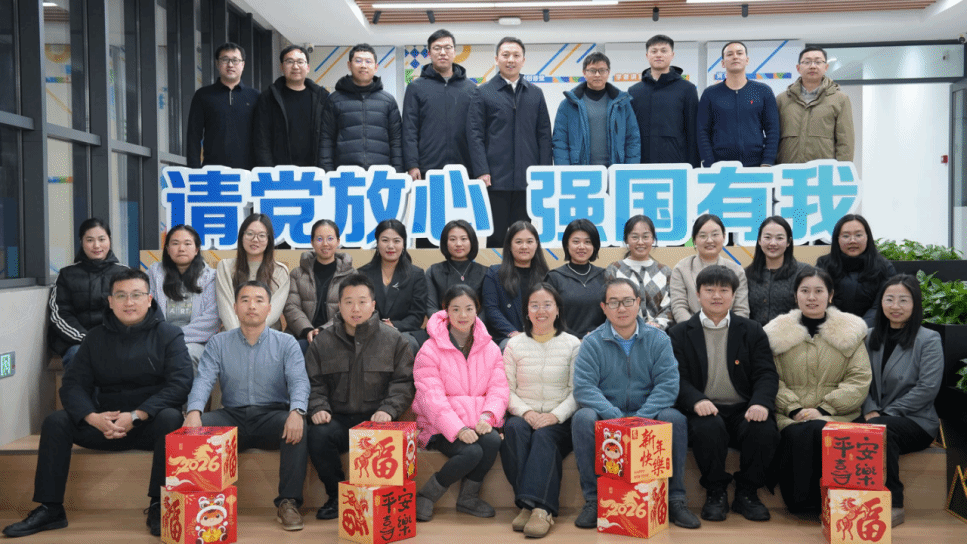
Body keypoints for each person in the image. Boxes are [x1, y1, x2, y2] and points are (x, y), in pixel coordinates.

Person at [3, 269, 192, 538]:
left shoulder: (169, 334)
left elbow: (180, 384)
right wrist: (92, 417)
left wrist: (136, 415)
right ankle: (50, 508)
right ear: (110, 301)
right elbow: (73, 385)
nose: (129, 302)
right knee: (56, 421)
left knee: (171, 417)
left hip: (147, 426)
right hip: (105, 425)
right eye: (121, 296)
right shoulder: (94, 338)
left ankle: (159, 505)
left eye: (136, 295)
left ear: (149, 299)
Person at [571, 277, 701, 530]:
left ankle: (674, 499)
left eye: (628, 301)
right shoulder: (592, 343)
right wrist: (616, 418)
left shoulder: (658, 339)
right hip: (608, 417)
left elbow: (668, 385)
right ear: (604, 307)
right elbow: (584, 388)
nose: (621, 308)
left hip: (648, 414)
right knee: (582, 418)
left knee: (674, 418)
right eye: (614, 302)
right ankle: (594, 500)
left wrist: (641, 418)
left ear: (638, 303)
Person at [184, 280, 310, 532]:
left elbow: (299, 381)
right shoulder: (218, 343)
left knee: (298, 425)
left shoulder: (287, 343)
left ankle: (288, 502)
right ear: (234, 307)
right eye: (245, 300)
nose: (252, 306)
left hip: (271, 415)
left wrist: (297, 411)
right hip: (232, 417)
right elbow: (204, 379)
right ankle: (199, 503)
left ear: (270, 308)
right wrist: (194, 411)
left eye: (259, 300)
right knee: (198, 427)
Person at [669, 265, 779, 522]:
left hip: (744, 407)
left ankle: (747, 493)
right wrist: (696, 400)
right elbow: (676, 377)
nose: (716, 296)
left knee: (763, 429)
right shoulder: (679, 333)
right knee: (708, 429)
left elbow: (766, 373)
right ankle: (715, 491)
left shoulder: (752, 330)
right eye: (709, 290)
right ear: (698, 294)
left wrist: (761, 403)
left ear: (734, 295)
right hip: (703, 407)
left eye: (723, 290)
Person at [304, 273, 415, 521]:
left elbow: (403, 382)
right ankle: (337, 496)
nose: (355, 309)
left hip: (377, 420)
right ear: (339, 305)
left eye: (362, 302)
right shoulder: (323, 342)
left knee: (388, 438)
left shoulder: (394, 339)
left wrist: (389, 409)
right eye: (349, 302)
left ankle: (384, 501)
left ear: (373, 305)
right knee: (318, 434)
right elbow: (313, 382)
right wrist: (319, 407)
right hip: (339, 419)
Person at [763, 266, 871, 513]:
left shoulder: (850, 332)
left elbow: (859, 379)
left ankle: (827, 503)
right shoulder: (775, 334)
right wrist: (794, 409)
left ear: (830, 295)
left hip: (838, 412)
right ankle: (801, 503)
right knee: (798, 432)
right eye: (805, 291)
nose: (811, 297)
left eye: (819, 291)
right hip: (790, 413)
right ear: (795, 295)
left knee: (818, 428)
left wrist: (823, 409)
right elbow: (770, 378)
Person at [412, 284, 508, 522]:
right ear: (445, 311)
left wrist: (488, 416)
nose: (462, 315)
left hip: (477, 421)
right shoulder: (429, 349)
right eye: (455, 309)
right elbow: (431, 398)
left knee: (492, 440)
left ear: (477, 310)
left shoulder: (491, 349)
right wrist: (458, 429)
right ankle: (426, 495)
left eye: (469, 308)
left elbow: (498, 389)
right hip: (440, 426)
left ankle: (468, 497)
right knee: (472, 452)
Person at [500, 283, 580, 538]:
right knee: (513, 430)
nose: (541, 311)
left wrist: (555, 415)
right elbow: (505, 389)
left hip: (560, 419)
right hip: (524, 413)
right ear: (526, 311)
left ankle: (540, 510)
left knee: (545, 436)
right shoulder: (514, 345)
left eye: (547, 305)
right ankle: (529, 504)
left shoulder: (573, 344)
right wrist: (526, 413)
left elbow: (577, 391)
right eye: (534, 305)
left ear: (557, 310)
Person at [862, 274, 943, 527]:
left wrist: (886, 414)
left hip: (916, 420)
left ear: (915, 304)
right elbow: (859, 380)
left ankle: (894, 502)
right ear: (881, 302)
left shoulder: (928, 339)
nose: (895, 306)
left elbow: (927, 388)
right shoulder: (869, 337)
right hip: (873, 416)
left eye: (903, 300)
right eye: (889, 299)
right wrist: (870, 408)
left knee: (880, 429)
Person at [467, 37, 552, 247]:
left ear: (523, 60)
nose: (510, 60)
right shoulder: (483, 92)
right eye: (505, 55)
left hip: (527, 180)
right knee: (496, 237)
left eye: (516, 55)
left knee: (523, 238)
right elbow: (475, 135)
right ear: (497, 59)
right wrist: (482, 170)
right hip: (495, 180)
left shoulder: (535, 93)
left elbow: (544, 135)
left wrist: (543, 173)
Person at [48, 217, 128, 368]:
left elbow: (134, 311)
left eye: (101, 239)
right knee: (78, 356)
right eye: (90, 240)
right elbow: (60, 314)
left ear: (109, 240)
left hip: (117, 338)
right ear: (81, 242)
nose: (96, 245)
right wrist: (87, 339)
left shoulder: (125, 273)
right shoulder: (67, 274)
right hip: (77, 341)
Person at [403, 29, 477, 180]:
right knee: (432, 198)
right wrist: (412, 164)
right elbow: (409, 129)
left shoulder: (471, 89)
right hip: (427, 169)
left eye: (447, 48)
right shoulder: (416, 87)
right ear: (429, 53)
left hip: (464, 169)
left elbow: (477, 131)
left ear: (454, 52)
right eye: (437, 48)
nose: (443, 52)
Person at [320, 43, 403, 172]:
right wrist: (328, 172)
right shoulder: (334, 100)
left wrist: (397, 173)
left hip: (380, 174)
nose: (363, 65)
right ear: (349, 65)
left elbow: (396, 141)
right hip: (345, 174)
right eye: (358, 61)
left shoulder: (388, 101)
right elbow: (326, 140)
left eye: (368, 61)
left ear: (376, 67)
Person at [147, 224, 220, 367]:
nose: (181, 248)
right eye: (175, 243)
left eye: (187, 243)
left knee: (185, 354)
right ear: (167, 249)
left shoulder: (210, 277)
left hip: (197, 342)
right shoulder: (154, 274)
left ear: (196, 249)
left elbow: (211, 319)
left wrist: (173, 337)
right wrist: (162, 337)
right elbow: (147, 310)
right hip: (159, 340)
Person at [698, 41, 779, 167]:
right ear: (723, 63)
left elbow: (773, 129)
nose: (735, 57)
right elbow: (702, 131)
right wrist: (709, 163)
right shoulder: (710, 94)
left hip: (757, 165)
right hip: (720, 166)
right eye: (730, 54)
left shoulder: (763, 91)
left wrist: (767, 161)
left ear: (747, 60)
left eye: (739, 53)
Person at [551, 52, 640, 166]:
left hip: (615, 170)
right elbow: (560, 142)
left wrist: (629, 170)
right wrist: (565, 171)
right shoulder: (568, 104)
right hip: (580, 170)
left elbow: (632, 139)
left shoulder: (622, 103)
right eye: (592, 70)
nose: (597, 75)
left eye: (602, 70)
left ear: (608, 72)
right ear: (584, 73)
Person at [284, 219, 355, 353]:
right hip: (301, 335)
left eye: (330, 238)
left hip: (337, 335)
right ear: (312, 242)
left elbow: (349, 310)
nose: (325, 244)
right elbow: (291, 307)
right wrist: (307, 330)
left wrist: (323, 330)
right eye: (319, 239)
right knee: (297, 349)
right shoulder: (297, 274)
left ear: (338, 241)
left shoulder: (352, 276)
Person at [185, 42, 260, 169]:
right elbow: (194, 135)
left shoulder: (255, 96)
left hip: (248, 172)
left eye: (235, 60)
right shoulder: (203, 95)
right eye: (225, 60)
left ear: (243, 64)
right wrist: (194, 170)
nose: (230, 65)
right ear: (217, 63)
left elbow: (262, 137)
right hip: (212, 171)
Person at [357, 219, 428, 353]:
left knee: (404, 343)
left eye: (396, 241)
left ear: (403, 244)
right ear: (377, 243)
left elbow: (417, 315)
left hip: (404, 332)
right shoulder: (362, 274)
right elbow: (359, 309)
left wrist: (394, 325)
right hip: (370, 331)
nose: (390, 246)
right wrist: (379, 326)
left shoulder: (416, 274)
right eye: (385, 240)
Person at [628, 34, 700, 167]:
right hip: (642, 163)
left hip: (677, 163)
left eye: (663, 51)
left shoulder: (687, 89)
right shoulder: (634, 91)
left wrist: (693, 167)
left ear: (672, 55)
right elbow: (630, 133)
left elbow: (693, 132)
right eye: (654, 51)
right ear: (647, 55)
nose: (658, 55)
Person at [252, 45, 329, 167]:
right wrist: (268, 170)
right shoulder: (268, 98)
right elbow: (262, 139)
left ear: (308, 67)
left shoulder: (322, 98)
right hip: (279, 171)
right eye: (289, 62)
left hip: (314, 171)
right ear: (281, 67)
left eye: (300, 62)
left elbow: (327, 137)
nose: (295, 66)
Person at [776, 46, 854, 164]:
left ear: (826, 67)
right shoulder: (783, 99)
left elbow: (845, 141)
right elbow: (773, 138)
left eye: (818, 62)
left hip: (823, 171)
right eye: (807, 62)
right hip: (788, 169)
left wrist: (843, 170)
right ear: (798, 68)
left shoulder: (840, 99)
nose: (812, 66)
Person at [815, 214, 897, 325]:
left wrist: (860, 328)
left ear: (867, 237)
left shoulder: (884, 267)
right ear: (837, 239)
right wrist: (839, 326)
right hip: (832, 327)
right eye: (846, 236)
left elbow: (880, 305)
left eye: (858, 235)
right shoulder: (824, 265)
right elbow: (820, 300)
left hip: (871, 330)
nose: (852, 240)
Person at [215, 213, 290, 331]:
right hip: (231, 334)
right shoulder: (225, 267)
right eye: (250, 234)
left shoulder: (280, 271)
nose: (255, 240)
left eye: (261, 235)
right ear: (241, 237)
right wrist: (239, 336)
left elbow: (273, 313)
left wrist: (251, 334)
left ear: (269, 240)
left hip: (267, 335)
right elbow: (226, 309)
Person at [670, 214, 749, 324]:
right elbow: (679, 306)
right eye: (703, 236)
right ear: (694, 239)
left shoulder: (737, 270)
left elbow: (741, 310)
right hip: (691, 329)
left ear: (724, 236)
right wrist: (693, 329)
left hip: (729, 330)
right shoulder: (681, 269)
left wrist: (727, 330)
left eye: (715, 235)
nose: (709, 240)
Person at [482, 221, 550, 347]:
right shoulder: (494, 274)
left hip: (541, 336)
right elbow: (491, 310)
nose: (524, 246)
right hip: (507, 337)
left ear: (536, 244)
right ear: (509, 245)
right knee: (511, 346)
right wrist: (513, 333)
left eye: (529, 242)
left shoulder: (547, 276)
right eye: (518, 242)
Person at [604, 215, 673, 330]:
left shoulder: (665, 271)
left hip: (658, 334)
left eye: (645, 237)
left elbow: (670, 307)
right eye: (635, 237)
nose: (640, 242)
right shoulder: (614, 269)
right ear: (626, 240)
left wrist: (656, 324)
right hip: (623, 333)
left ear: (653, 239)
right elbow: (611, 304)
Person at [545, 219, 606, 338]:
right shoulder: (554, 277)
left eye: (587, 242)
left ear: (594, 246)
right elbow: (548, 316)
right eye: (576, 241)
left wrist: (595, 336)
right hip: (564, 341)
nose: (581, 247)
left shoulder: (604, 275)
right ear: (567, 244)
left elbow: (612, 313)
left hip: (600, 341)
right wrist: (575, 338)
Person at [745, 216, 809, 326]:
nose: (773, 243)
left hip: (792, 335)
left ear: (788, 242)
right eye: (767, 237)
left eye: (779, 238)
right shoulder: (746, 274)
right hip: (754, 336)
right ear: (759, 240)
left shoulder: (804, 272)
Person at [425, 219, 488, 319]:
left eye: (463, 239)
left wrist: (472, 325)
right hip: (442, 326)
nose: (458, 244)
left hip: (477, 326)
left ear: (472, 242)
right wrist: (449, 325)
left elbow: (487, 309)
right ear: (445, 242)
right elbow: (430, 308)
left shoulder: (486, 272)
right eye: (453, 239)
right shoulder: (433, 272)